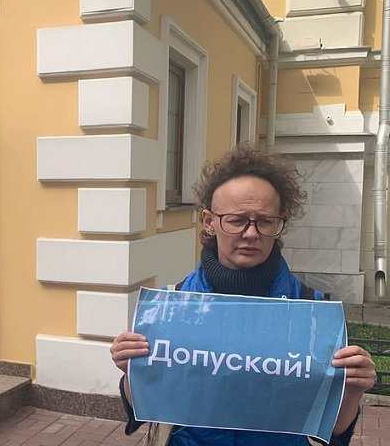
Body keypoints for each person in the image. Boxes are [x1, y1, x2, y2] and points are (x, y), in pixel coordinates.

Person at [110, 143, 377, 446]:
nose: (251, 234)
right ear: (209, 222)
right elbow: (143, 409)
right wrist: (132, 369)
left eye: (265, 221)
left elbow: (331, 432)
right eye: (237, 220)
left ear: (280, 222)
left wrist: (352, 390)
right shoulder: (170, 308)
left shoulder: (313, 313)